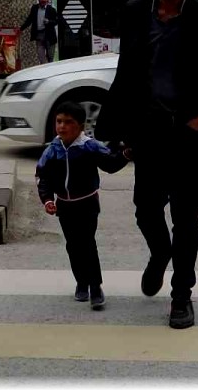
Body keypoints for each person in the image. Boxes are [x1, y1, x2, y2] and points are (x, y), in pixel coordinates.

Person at [93, 0, 198, 331]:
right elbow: (126, 73)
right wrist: (118, 129)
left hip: (187, 133)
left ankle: (181, 296)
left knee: (186, 217)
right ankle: (160, 254)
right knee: (145, 209)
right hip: (148, 131)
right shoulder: (136, 11)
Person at [36, 101, 127, 311]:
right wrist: (47, 199)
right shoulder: (52, 150)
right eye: (59, 121)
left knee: (87, 244)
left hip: (87, 204)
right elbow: (43, 176)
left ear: (80, 126)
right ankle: (81, 282)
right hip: (64, 206)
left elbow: (110, 164)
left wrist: (125, 154)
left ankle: (95, 287)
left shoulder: (89, 147)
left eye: (68, 122)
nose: (62, 126)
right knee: (72, 245)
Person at [19, 0, 62, 64]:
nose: (43, 0)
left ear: (47, 0)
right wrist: (21, 29)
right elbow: (29, 20)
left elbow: (57, 21)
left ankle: (50, 70)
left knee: (50, 58)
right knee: (41, 58)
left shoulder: (51, 9)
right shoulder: (34, 8)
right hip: (39, 36)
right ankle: (43, 69)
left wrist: (49, 21)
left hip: (50, 37)